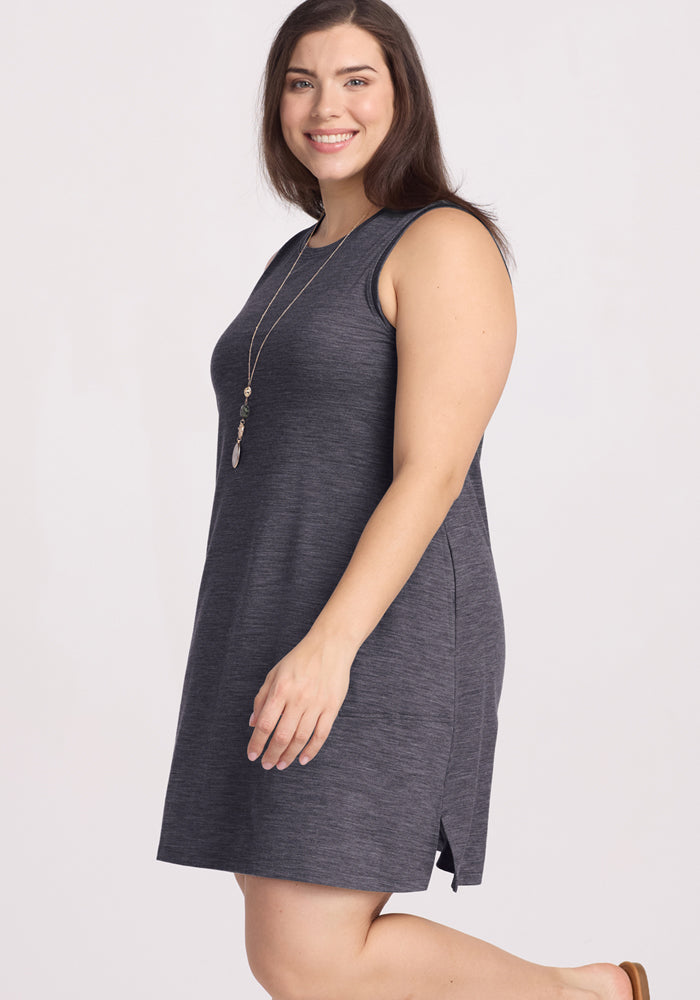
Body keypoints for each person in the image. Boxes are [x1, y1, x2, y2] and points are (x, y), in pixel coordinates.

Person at [156, 2, 649, 998]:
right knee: (285, 946)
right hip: (268, 619)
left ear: (402, 96)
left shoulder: (440, 242)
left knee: (311, 956)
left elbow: (433, 469)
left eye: (356, 80)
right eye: (301, 82)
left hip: (375, 632)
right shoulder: (295, 259)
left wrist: (331, 647)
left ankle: (587, 994)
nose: (324, 107)